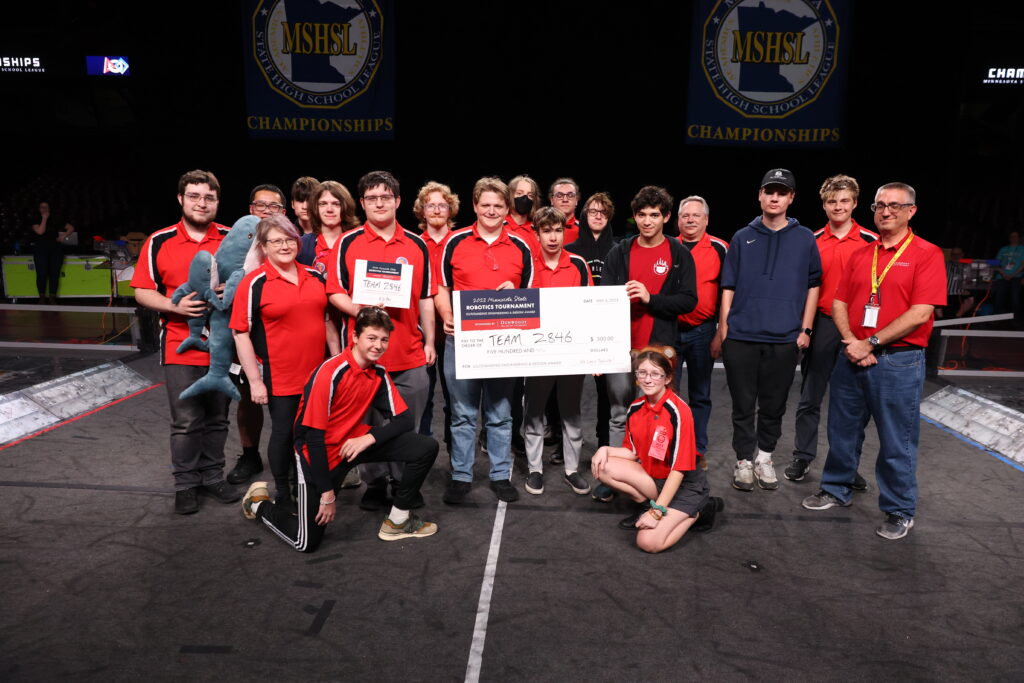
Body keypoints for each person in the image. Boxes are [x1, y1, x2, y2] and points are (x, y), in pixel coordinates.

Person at [802, 182, 946, 540]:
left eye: (895, 206)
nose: (886, 212)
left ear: (911, 211)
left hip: (899, 361)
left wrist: (872, 342)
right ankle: (836, 489)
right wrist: (853, 341)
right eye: (880, 205)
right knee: (842, 431)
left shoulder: (927, 253)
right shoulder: (862, 255)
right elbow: (838, 303)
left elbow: (920, 312)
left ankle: (899, 509)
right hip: (852, 354)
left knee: (898, 440)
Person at [241, 307, 440, 552]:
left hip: (353, 445)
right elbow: (312, 438)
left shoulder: (378, 372)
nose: (378, 345)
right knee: (306, 542)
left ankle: (398, 521)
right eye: (371, 338)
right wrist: (327, 495)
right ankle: (257, 504)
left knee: (425, 447)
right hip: (318, 455)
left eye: (384, 340)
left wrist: (368, 438)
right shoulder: (330, 372)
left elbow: (405, 420)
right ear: (355, 337)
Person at [131, 169, 240, 514]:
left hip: (223, 345)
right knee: (186, 419)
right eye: (194, 196)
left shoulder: (231, 238)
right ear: (181, 199)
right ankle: (186, 484)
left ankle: (212, 477)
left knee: (218, 417)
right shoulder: (159, 241)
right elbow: (142, 290)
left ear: (217, 202)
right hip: (180, 342)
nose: (201, 203)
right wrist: (172, 305)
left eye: (209, 197)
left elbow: (252, 282)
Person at [327, 171, 436, 511]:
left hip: (409, 354)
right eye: (372, 198)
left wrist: (430, 339)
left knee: (409, 424)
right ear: (362, 203)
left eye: (385, 197)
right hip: (364, 360)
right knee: (365, 423)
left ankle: (403, 482)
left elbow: (426, 297)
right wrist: (360, 309)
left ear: (398, 201)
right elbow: (334, 292)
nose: (379, 203)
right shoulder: (348, 242)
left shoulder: (417, 244)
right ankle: (374, 481)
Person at [715, 169, 821, 493]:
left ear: (791, 198)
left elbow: (813, 284)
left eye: (782, 192)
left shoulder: (805, 238)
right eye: (769, 191)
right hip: (743, 336)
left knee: (774, 405)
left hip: (784, 338)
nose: (774, 197)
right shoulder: (741, 237)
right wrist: (724, 328)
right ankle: (744, 461)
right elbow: (728, 286)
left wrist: (806, 329)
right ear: (759, 196)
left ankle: (765, 456)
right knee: (743, 405)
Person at [230, 215, 340, 511]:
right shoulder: (254, 283)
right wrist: (254, 381)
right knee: (285, 433)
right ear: (263, 247)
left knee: (313, 433)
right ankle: (283, 491)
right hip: (280, 377)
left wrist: (338, 364)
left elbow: (328, 323)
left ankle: (304, 484)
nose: (284, 245)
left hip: (316, 375)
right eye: (276, 241)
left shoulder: (315, 276)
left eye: (289, 239)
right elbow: (241, 334)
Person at [435, 176, 534, 504]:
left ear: (507, 208)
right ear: (475, 206)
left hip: (504, 343)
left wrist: (517, 295)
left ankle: (499, 475)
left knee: (500, 412)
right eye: (485, 205)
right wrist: (446, 314)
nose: (491, 210)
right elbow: (441, 288)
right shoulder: (455, 241)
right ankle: (461, 476)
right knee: (462, 412)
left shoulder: (521, 246)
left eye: (498, 205)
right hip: (462, 341)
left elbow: (532, 296)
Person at [785, 175, 877, 486]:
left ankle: (846, 466)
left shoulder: (871, 241)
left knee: (850, 402)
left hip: (857, 329)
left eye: (844, 201)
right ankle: (802, 457)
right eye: (832, 201)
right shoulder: (810, 240)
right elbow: (800, 286)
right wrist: (804, 327)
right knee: (811, 396)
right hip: (822, 325)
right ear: (824, 205)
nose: (838, 206)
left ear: (854, 203)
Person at [591, 349, 722, 553]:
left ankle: (700, 510)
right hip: (655, 480)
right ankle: (649, 504)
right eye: (642, 373)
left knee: (647, 542)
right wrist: (604, 449)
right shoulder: (635, 407)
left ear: (667, 378)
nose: (648, 379)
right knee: (602, 466)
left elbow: (678, 469)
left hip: (684, 485)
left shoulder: (679, 411)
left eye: (655, 374)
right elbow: (632, 452)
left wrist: (657, 513)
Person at [601, 186, 698, 454]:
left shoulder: (679, 253)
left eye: (654, 215)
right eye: (641, 215)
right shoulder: (619, 252)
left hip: (657, 348)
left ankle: (650, 472)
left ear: (666, 217)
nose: (647, 221)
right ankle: (616, 471)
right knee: (619, 413)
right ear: (634, 216)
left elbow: (689, 300)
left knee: (655, 413)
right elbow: (602, 301)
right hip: (620, 347)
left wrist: (650, 298)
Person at [522, 207, 593, 496]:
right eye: (547, 231)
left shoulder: (577, 264)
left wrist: (591, 353)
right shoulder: (527, 264)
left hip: (570, 352)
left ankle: (572, 470)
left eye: (558, 230)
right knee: (534, 411)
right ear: (537, 233)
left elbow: (589, 308)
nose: (553, 237)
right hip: (538, 353)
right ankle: (535, 469)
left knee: (571, 413)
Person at [226, 183, 291, 486]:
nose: (267, 210)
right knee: (248, 398)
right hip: (245, 333)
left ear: (283, 213)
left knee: (290, 403)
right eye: (261, 205)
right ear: (251, 209)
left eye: (274, 206)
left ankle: (290, 456)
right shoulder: (236, 242)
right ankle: (250, 455)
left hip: (283, 334)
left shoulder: (290, 242)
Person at [673, 196, 728, 468]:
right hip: (669, 330)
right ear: (678, 219)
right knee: (667, 393)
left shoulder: (720, 248)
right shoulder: (668, 246)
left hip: (703, 332)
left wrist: (721, 332)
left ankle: (696, 450)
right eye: (685, 215)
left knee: (700, 394)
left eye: (696, 215)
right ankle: (670, 448)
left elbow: (729, 294)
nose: (691, 219)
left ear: (706, 219)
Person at [566, 192, 617, 470]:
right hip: (576, 327)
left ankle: (604, 441)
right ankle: (566, 445)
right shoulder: (572, 250)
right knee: (567, 390)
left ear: (609, 217)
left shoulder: (619, 248)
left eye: (603, 212)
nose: (597, 216)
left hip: (605, 330)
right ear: (584, 215)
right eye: (592, 211)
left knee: (606, 392)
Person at [413, 181, 460, 447]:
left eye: (442, 204)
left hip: (457, 331)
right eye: (430, 204)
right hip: (423, 334)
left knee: (457, 400)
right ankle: (423, 451)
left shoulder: (461, 241)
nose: (436, 209)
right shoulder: (414, 244)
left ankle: (456, 454)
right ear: (422, 210)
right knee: (424, 396)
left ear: (450, 209)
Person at [297, 180, 360, 273]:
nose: (329, 209)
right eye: (323, 204)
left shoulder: (358, 243)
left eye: (336, 204)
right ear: (315, 208)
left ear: (346, 207)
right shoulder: (301, 245)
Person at [30, 201, 75, 303]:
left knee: (54, 274)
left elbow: (71, 228)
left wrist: (63, 236)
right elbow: (40, 232)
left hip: (55, 249)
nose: (44, 209)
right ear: (39, 209)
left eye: (46, 207)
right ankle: (42, 297)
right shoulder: (35, 220)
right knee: (41, 274)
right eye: (42, 207)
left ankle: (52, 297)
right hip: (40, 249)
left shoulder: (56, 218)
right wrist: (44, 218)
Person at [992, 231, 1023, 323]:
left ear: (1019, 238)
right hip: (1002, 277)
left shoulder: (1022, 249)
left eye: (1015, 236)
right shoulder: (1003, 249)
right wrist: (1003, 274)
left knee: (1015, 299)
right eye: (1011, 236)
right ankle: (996, 320)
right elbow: (996, 263)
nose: (1013, 238)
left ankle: (1015, 321)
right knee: (999, 298)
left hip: (1017, 276)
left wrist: (1012, 275)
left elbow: (1023, 264)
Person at [506, 174, 541, 253]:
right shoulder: (498, 226)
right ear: (510, 196)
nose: (525, 198)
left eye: (530, 195)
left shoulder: (537, 231)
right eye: (519, 193)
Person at [549, 177, 582, 244]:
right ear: (552, 200)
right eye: (559, 195)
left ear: (576, 200)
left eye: (570, 195)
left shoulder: (584, 230)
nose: (565, 200)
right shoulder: (539, 228)